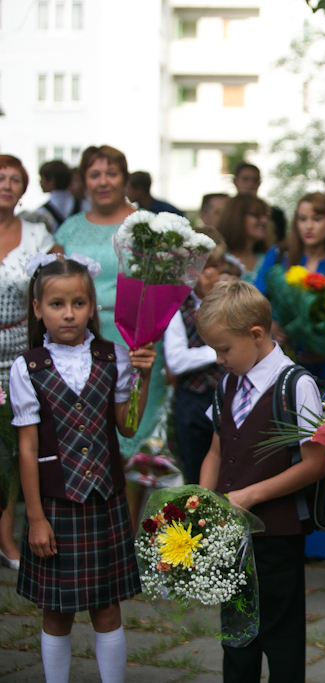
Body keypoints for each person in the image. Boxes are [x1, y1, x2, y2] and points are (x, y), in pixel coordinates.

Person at [11, 255, 155, 683]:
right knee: (57, 611)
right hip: (55, 506)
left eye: (78, 303)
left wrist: (142, 379)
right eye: (57, 304)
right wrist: (35, 517)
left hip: (104, 501)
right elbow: (27, 447)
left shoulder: (113, 357)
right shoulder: (29, 367)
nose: (68, 313)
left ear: (92, 306)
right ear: (38, 309)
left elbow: (127, 427)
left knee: (107, 606)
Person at [196, 280, 325, 682]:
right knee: (236, 634)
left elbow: (315, 463)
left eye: (224, 349)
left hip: (277, 535)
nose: (219, 359)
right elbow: (217, 451)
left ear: (255, 334)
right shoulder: (227, 384)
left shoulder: (295, 385)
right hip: (230, 534)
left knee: (280, 633)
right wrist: (202, 501)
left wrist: (251, 495)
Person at [55, 145, 168, 464]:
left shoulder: (148, 225)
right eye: (95, 174)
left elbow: (166, 283)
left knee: (135, 432)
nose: (103, 182)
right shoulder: (70, 228)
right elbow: (52, 280)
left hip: (135, 340)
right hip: (79, 337)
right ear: (83, 181)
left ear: (125, 179)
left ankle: (132, 513)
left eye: (111, 173)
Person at [0, 155, 59, 571]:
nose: (6, 183)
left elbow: (57, 281)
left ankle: (6, 536)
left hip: (19, 351)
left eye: (14, 179)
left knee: (11, 444)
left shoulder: (38, 233)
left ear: (24, 189)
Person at [254, 192, 325, 384]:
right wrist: (270, 325)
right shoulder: (279, 255)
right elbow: (253, 299)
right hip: (277, 362)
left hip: (322, 369)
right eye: (302, 219)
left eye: (317, 219)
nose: (308, 226)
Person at [163, 227, 228, 485]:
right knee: (196, 471)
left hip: (228, 396)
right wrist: (219, 351)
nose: (211, 274)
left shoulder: (230, 301)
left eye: (216, 266)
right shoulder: (179, 308)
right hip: (194, 403)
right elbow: (177, 360)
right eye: (204, 267)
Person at [217, 193, 271, 283]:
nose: (264, 220)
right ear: (236, 216)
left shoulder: (269, 258)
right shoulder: (218, 260)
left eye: (265, 215)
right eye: (256, 214)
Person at [233, 162, 287, 244]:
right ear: (235, 181)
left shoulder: (275, 214)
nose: (250, 184)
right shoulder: (226, 211)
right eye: (245, 179)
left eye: (255, 180)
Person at [32, 160, 80, 232]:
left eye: (42, 178)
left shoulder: (41, 212)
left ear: (51, 181)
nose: (40, 182)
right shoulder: (83, 205)